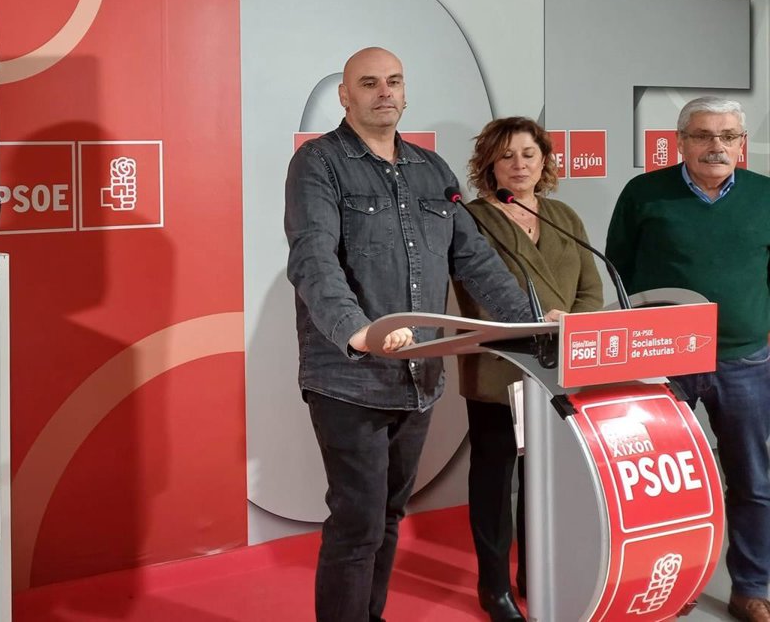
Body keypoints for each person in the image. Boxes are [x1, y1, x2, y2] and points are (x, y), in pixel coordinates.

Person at [285, 48, 548, 622]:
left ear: (405, 93)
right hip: (349, 377)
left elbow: (474, 261)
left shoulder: (432, 170)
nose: (384, 91)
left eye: (394, 81)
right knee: (357, 523)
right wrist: (357, 332)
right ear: (345, 96)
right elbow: (312, 260)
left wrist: (532, 320)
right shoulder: (319, 163)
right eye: (369, 83)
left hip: (419, 377)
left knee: (386, 516)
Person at [606, 96, 770, 622]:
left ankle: (752, 587)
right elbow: (619, 268)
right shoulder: (644, 193)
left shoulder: (765, 195)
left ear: (741, 143)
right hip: (663, 359)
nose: (715, 146)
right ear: (680, 141)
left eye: (728, 136)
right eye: (702, 135)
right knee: (660, 483)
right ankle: (670, 584)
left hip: (744, 361)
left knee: (753, 482)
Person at [453, 117, 603, 622]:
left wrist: (572, 329)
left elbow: (590, 289)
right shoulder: (472, 218)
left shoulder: (563, 216)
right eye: (506, 156)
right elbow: (476, 291)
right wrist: (537, 323)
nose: (519, 165)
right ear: (489, 164)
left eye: (529, 154)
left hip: (559, 368)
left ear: (545, 162)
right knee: (496, 481)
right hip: (499, 365)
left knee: (545, 480)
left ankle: (535, 574)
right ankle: (494, 587)